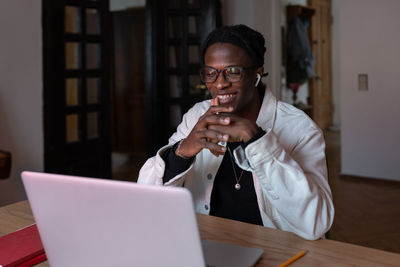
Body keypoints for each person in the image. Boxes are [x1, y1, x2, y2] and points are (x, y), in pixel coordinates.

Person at [138, 24, 334, 240]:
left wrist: (257, 140)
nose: (220, 84)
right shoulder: (197, 116)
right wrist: (182, 151)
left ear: (257, 74)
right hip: (207, 244)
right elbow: (146, 197)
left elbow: (316, 223)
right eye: (210, 73)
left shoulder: (299, 128)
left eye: (233, 71)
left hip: (277, 250)